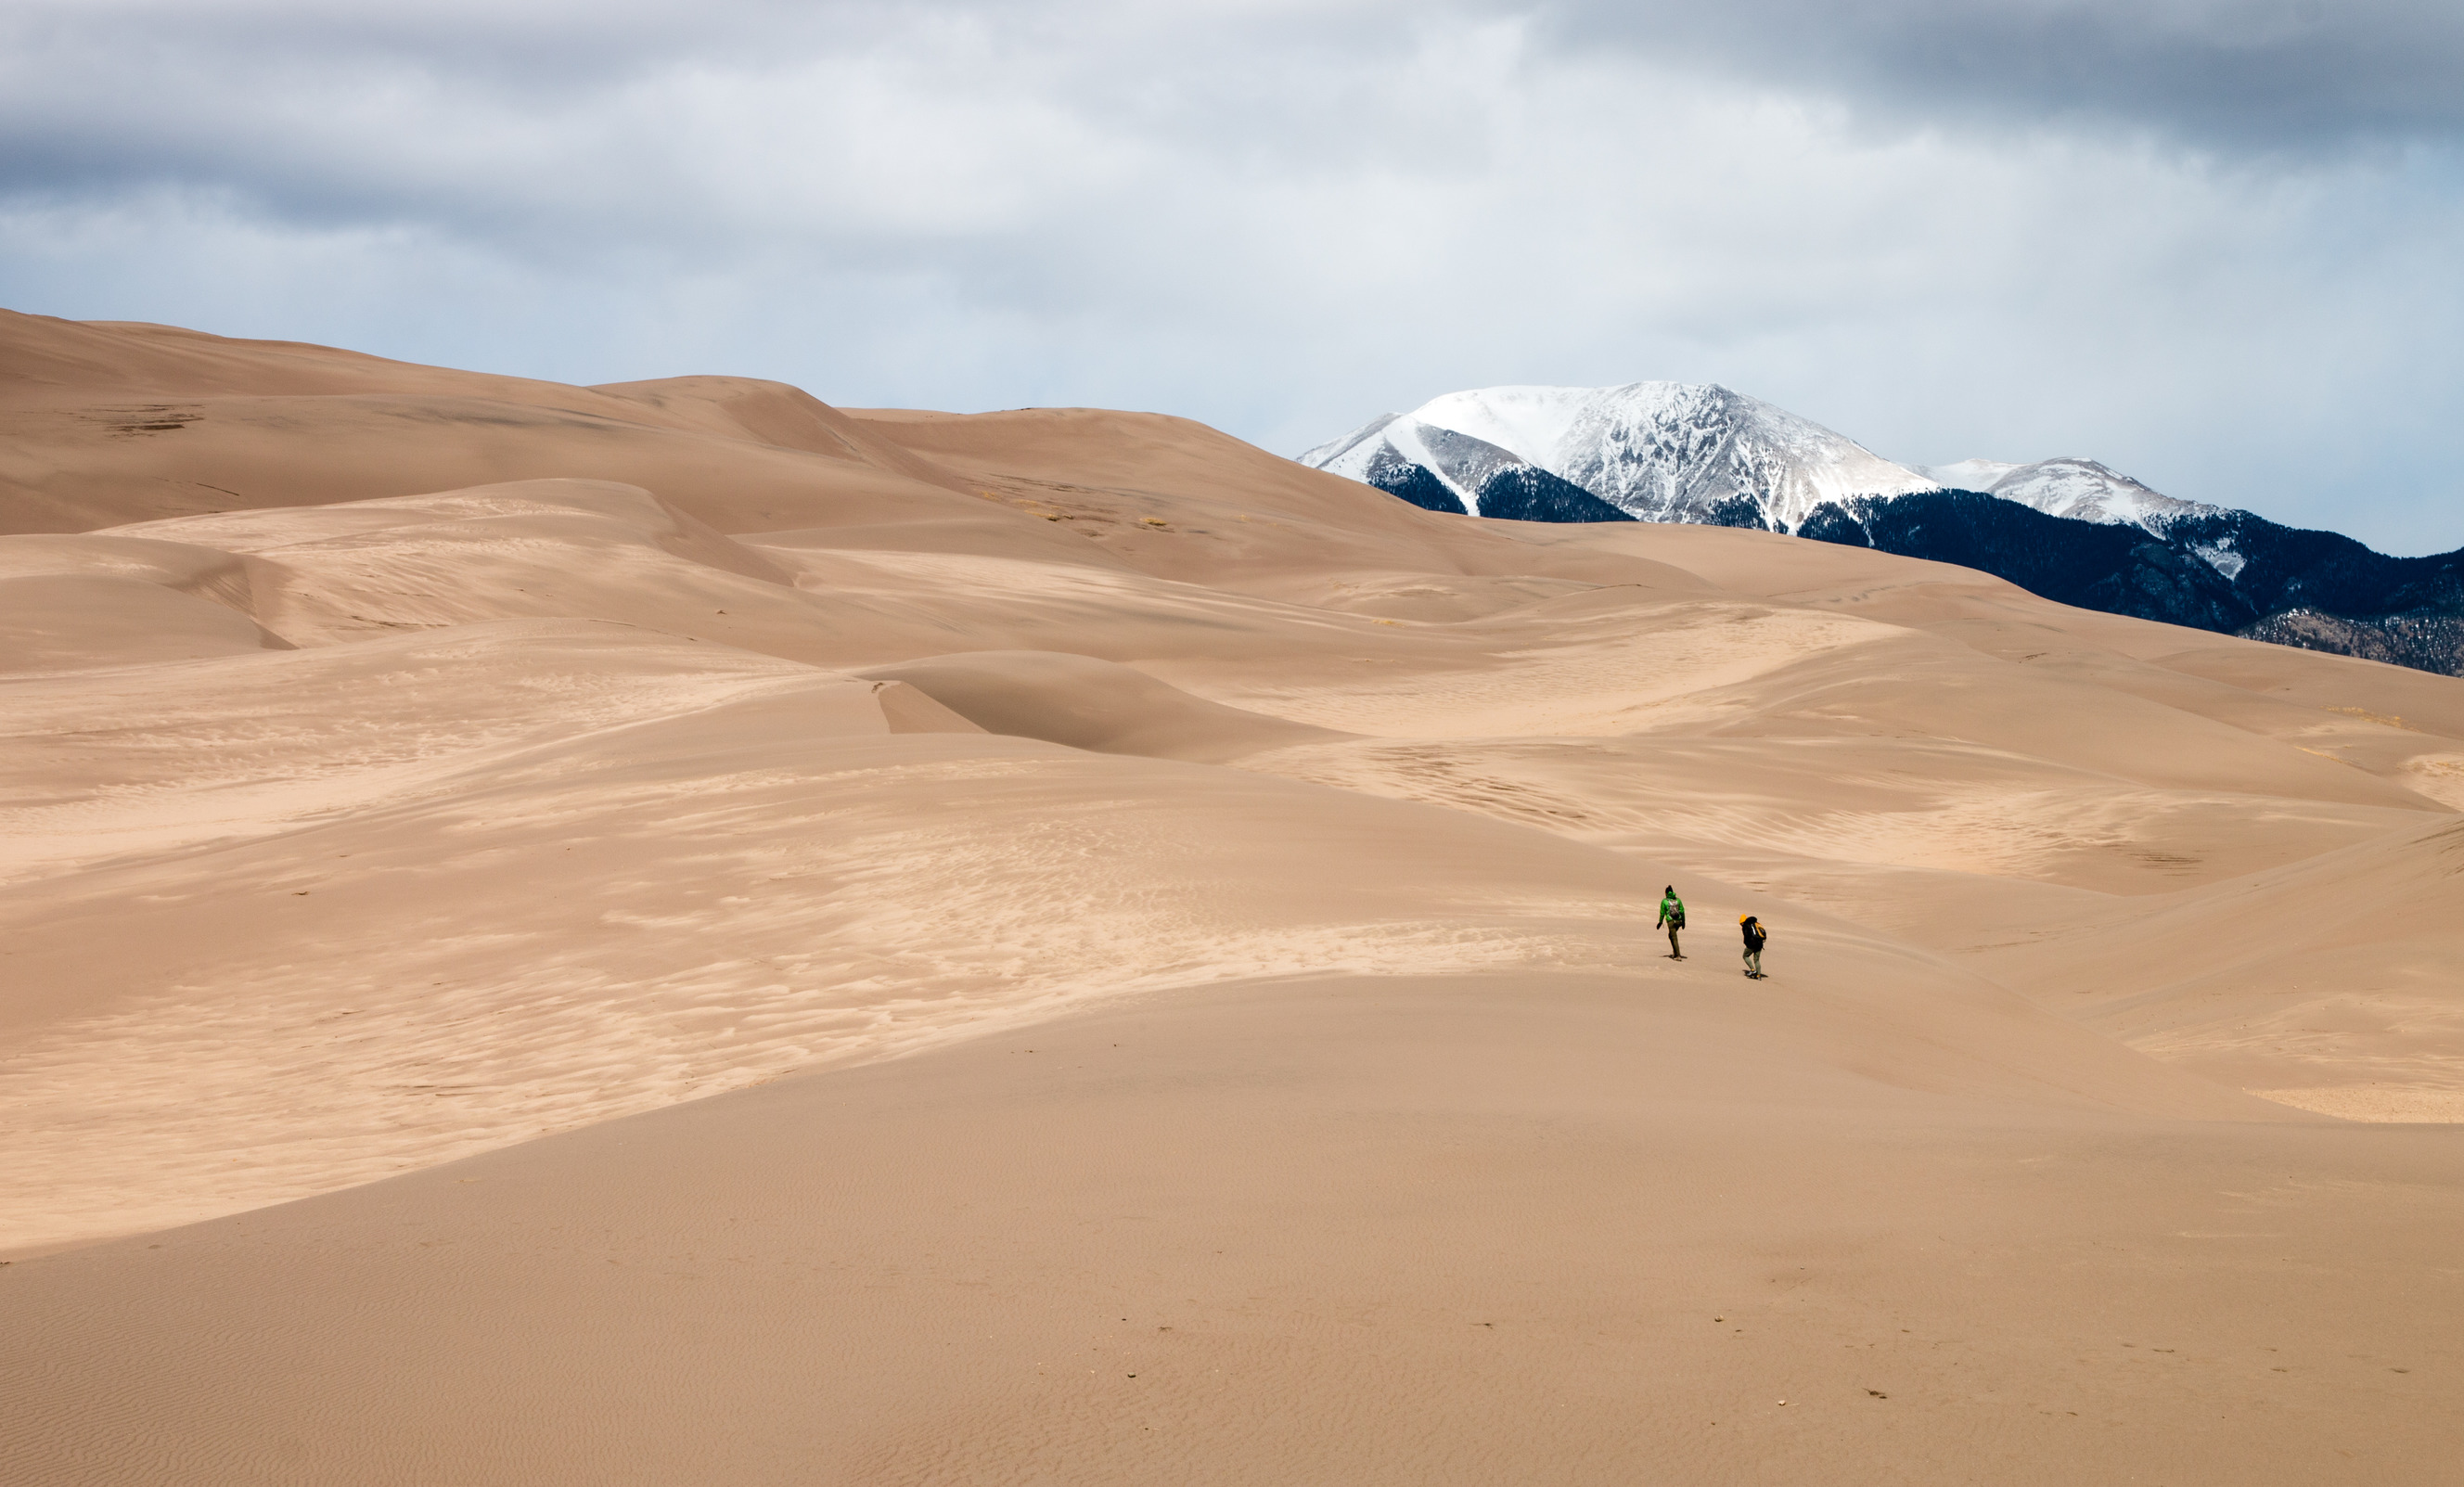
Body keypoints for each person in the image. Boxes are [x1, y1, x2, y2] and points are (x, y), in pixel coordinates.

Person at [1656, 885, 1686, 959]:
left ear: (1666, 893)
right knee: (1671, 936)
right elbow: (1682, 911)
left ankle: (1678, 955)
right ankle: (1675, 953)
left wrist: (1660, 922)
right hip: (1678, 921)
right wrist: (1683, 922)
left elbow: (1662, 913)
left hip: (1671, 922)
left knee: (1674, 938)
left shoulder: (1664, 901)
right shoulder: (1678, 900)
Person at [1740, 915, 1767, 979]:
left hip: (1751, 945)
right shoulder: (1755, 924)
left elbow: (1746, 936)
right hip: (1760, 944)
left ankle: (1752, 970)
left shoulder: (1745, 926)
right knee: (1757, 960)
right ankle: (1758, 975)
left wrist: (1746, 944)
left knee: (1745, 956)